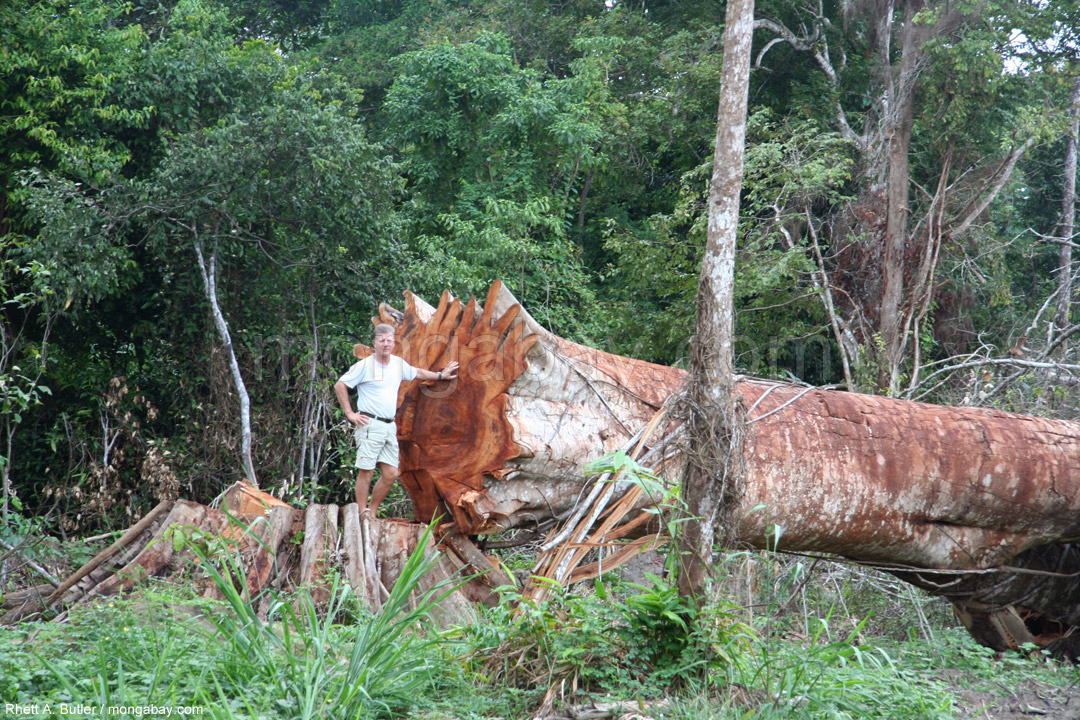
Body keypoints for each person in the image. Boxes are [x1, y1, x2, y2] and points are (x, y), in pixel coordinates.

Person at [334, 323, 459, 516]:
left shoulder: (397, 364)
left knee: (391, 474)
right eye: (382, 341)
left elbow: (417, 372)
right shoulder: (365, 366)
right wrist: (350, 413)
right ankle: (361, 512)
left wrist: (441, 376)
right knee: (366, 471)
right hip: (369, 424)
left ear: (394, 343)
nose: (386, 344)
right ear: (374, 343)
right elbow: (340, 385)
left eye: (389, 341)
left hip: (389, 425)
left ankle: (372, 512)